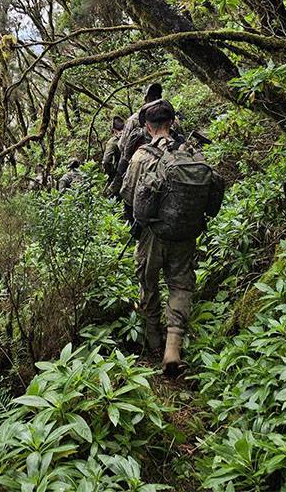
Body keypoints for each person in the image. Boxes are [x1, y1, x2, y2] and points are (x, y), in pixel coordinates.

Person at [120, 98, 208, 376]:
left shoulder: (140, 156)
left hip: (152, 234)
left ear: (147, 126)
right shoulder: (190, 152)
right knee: (181, 285)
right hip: (185, 231)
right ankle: (173, 347)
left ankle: (153, 339)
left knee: (148, 282)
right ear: (172, 123)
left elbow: (128, 194)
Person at [110, 82, 165, 199]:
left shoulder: (135, 119)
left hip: (140, 166)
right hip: (167, 165)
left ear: (145, 98)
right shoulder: (171, 116)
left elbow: (122, 146)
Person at [101, 115, 126, 186]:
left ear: (114, 130)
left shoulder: (113, 142)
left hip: (121, 173)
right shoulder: (133, 134)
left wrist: (111, 174)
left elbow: (106, 161)